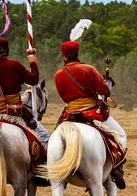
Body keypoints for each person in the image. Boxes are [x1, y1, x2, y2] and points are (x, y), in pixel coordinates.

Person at [54, 40, 127, 188]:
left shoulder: (58, 75)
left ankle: (55, 170)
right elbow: (104, 91)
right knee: (121, 135)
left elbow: (63, 95)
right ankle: (117, 169)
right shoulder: (89, 69)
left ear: (64, 56)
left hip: (70, 114)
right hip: (92, 113)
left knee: (53, 139)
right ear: (77, 54)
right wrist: (106, 84)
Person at [0, 38, 50, 147]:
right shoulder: (14, 65)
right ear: (7, 51)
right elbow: (33, 80)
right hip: (17, 113)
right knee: (45, 137)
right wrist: (33, 63)